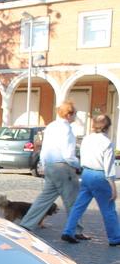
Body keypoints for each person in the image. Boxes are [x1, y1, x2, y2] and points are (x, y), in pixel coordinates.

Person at [19, 100, 89, 239]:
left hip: (50, 166)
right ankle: (76, 230)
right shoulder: (67, 129)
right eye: (74, 113)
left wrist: (44, 166)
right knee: (73, 200)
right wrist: (78, 165)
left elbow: (44, 148)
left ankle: (26, 224)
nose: (75, 116)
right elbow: (68, 154)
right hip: (63, 167)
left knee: (44, 198)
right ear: (69, 114)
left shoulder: (51, 126)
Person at [61, 115, 120, 246]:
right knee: (108, 209)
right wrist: (113, 187)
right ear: (108, 126)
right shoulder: (107, 143)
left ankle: (68, 231)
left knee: (78, 206)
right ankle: (115, 238)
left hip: (86, 173)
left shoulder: (87, 139)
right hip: (99, 175)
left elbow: (82, 157)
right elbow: (109, 167)